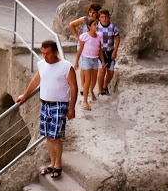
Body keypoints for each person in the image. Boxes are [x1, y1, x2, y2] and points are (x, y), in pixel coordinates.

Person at [16, 39, 77, 179]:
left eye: (48, 53)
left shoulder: (66, 66)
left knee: (56, 136)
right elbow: (36, 80)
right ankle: (52, 163)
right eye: (43, 53)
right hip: (45, 104)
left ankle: (58, 165)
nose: (45, 56)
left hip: (59, 105)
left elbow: (74, 87)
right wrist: (25, 95)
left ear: (55, 52)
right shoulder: (42, 64)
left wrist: (72, 107)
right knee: (48, 136)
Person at [74, 18, 105, 110]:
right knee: (87, 80)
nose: (97, 26)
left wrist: (102, 61)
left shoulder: (99, 36)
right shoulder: (84, 36)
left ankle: (91, 91)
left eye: (97, 24)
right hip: (86, 59)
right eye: (95, 24)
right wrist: (76, 62)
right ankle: (84, 101)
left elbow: (100, 50)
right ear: (89, 26)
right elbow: (80, 50)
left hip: (95, 59)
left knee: (94, 79)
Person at [97, 9, 120, 95]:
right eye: (102, 17)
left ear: (109, 17)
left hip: (110, 51)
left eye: (106, 17)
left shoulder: (113, 27)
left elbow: (117, 38)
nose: (104, 19)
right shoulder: (97, 26)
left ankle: (105, 85)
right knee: (102, 71)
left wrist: (115, 50)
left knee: (111, 72)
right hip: (100, 52)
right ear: (99, 18)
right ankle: (100, 91)